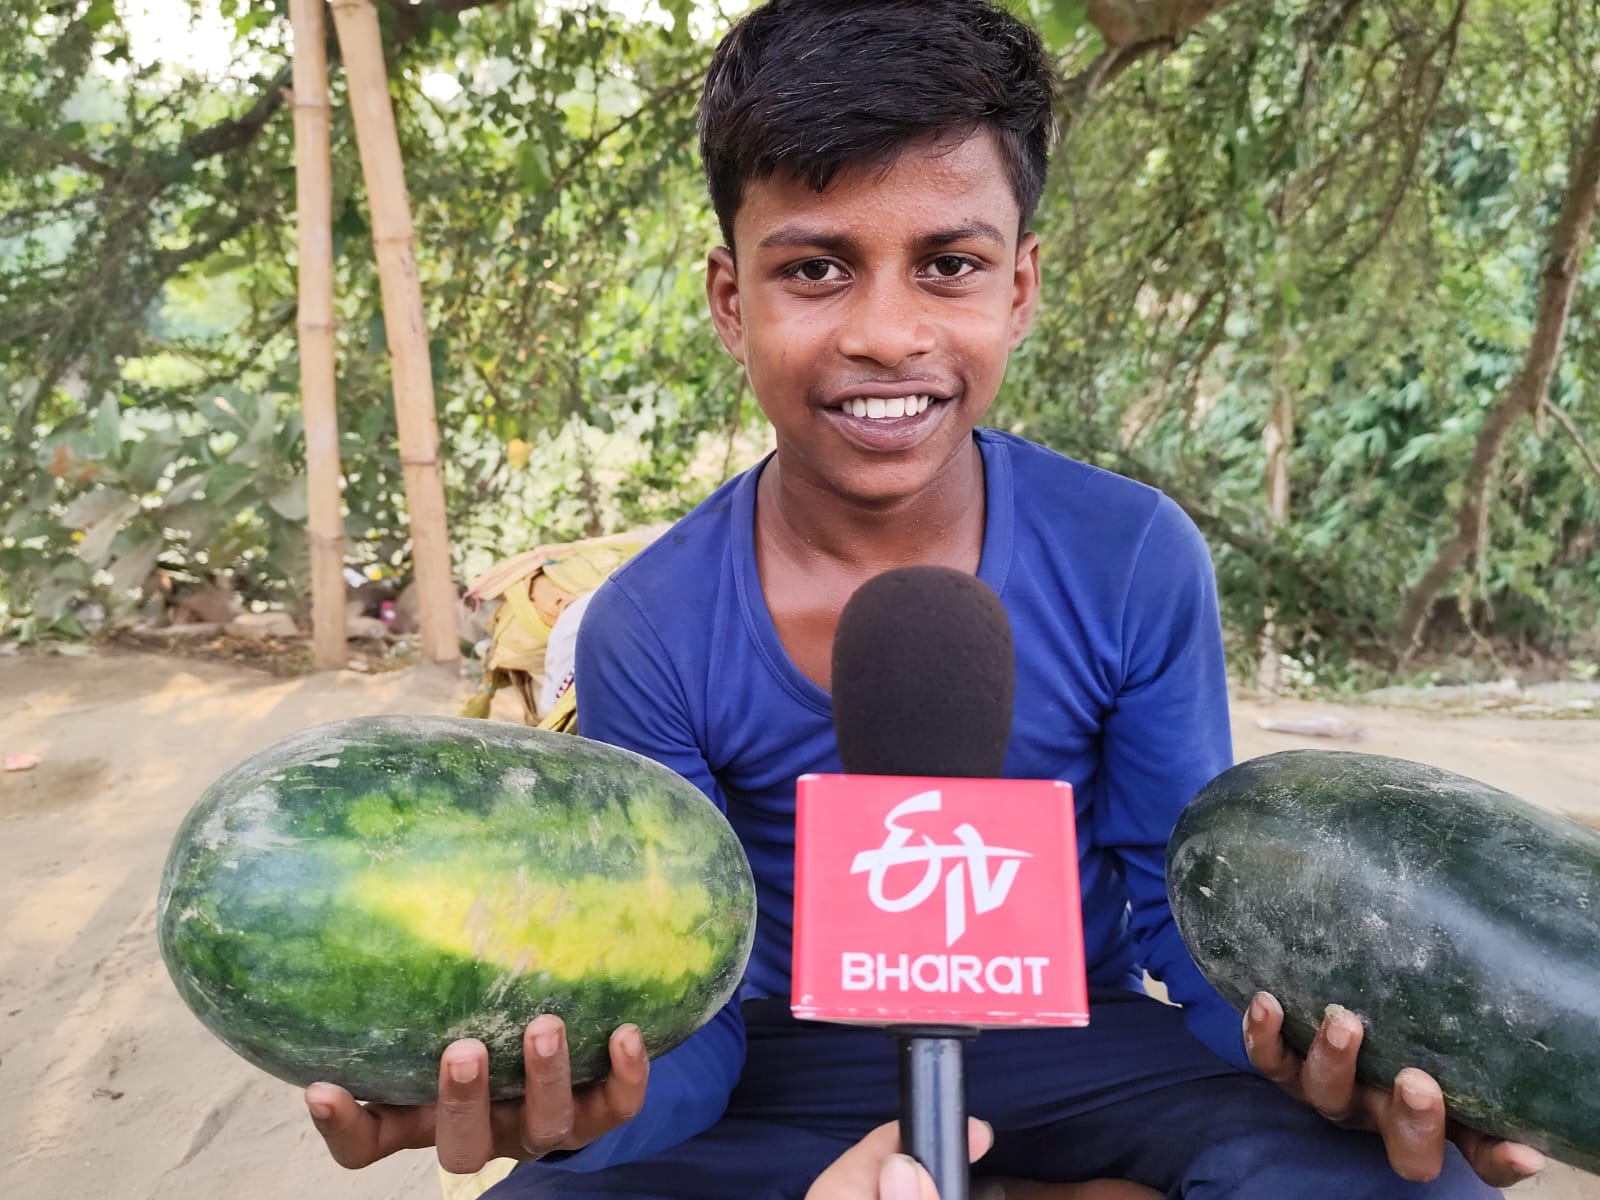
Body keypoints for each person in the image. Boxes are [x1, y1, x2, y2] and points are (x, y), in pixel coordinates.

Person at [306, 2, 1548, 1195]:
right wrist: (587, 1111)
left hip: (1085, 1049)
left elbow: (1185, 915)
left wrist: (1319, 1053)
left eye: (947, 263)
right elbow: (696, 1003)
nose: (886, 332)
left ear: (1019, 286)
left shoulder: (1131, 556)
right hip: (768, 1075)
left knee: (1396, 1183)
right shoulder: (651, 626)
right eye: (816, 269)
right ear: (732, 302)